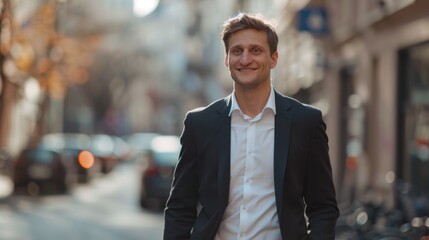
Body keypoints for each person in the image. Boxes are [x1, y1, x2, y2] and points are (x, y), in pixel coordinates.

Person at [164, 12, 339, 240]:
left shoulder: (305, 122)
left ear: (274, 58)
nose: (245, 59)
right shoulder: (200, 124)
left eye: (255, 50)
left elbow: (323, 207)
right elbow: (179, 207)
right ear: (227, 59)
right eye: (237, 51)